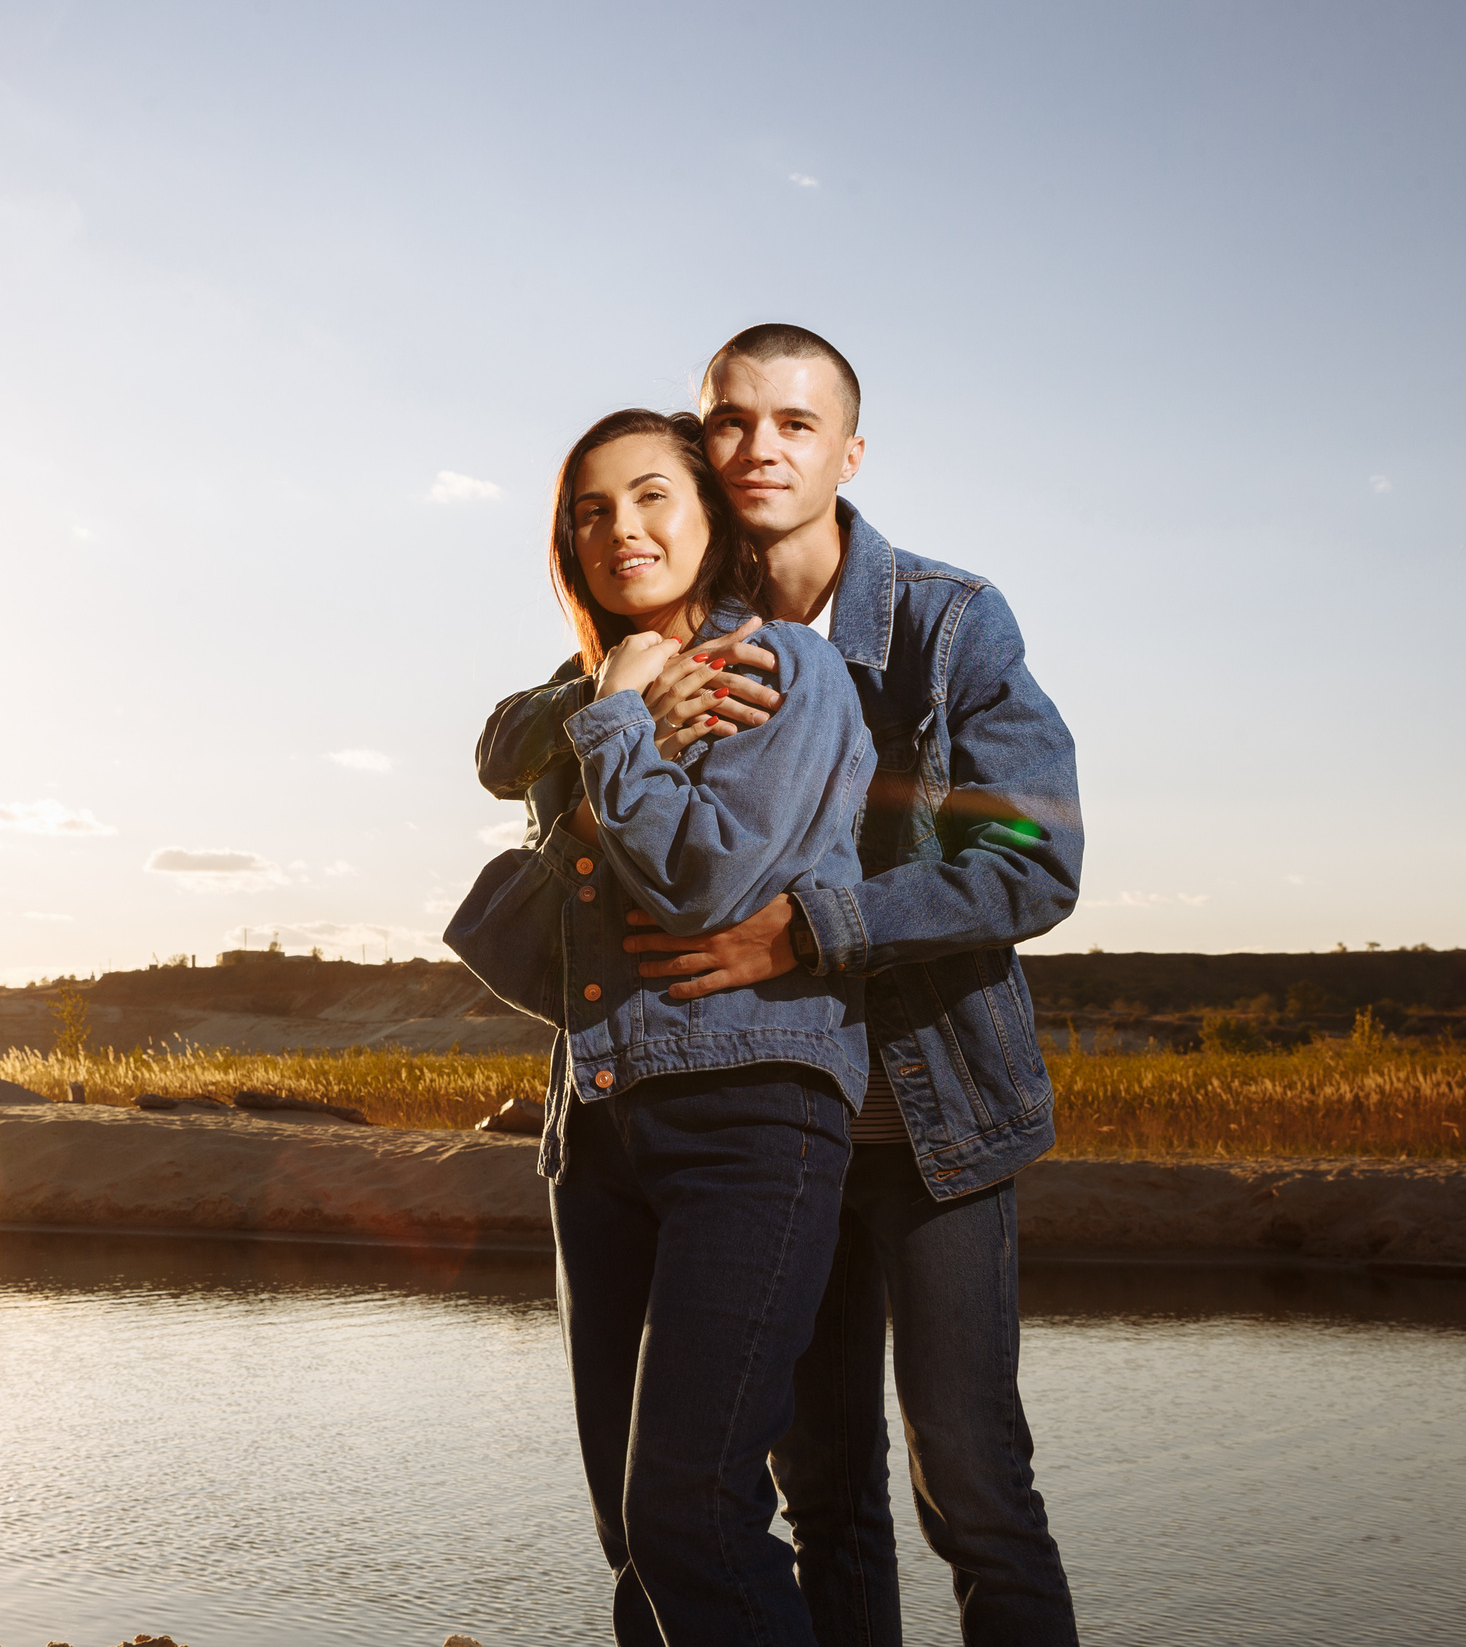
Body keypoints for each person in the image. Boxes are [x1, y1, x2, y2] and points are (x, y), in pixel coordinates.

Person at [475, 326, 1084, 1647]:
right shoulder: (677, 605)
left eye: (795, 424)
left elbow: (1036, 856)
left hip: (924, 1111)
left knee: (972, 1483)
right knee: (820, 1490)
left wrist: (812, 929)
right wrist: (616, 699)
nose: (760, 448)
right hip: (750, 1102)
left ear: (848, 453)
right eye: (734, 421)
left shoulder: (943, 623)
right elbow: (512, 734)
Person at [445, 407, 872, 1647]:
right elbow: (498, 749)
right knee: (634, 1536)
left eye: (649, 498)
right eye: (589, 510)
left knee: (692, 1511)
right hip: (596, 1124)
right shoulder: (591, 690)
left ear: (710, 520)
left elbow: (700, 880)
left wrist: (616, 729)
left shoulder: (780, 672)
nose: (618, 528)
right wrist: (611, 701)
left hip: (749, 1116)